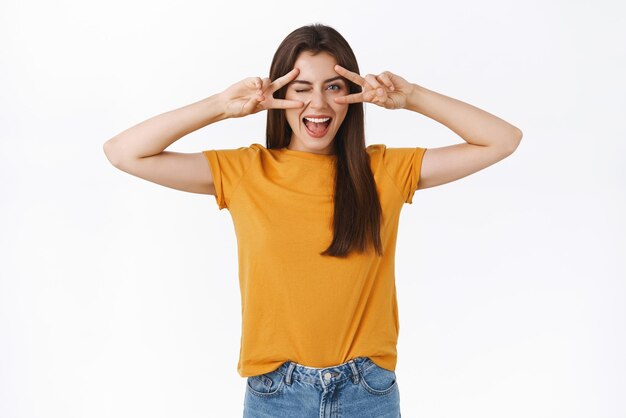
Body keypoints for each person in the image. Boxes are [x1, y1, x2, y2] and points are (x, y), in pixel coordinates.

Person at [103, 23, 522, 418]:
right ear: (276, 96)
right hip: (276, 394)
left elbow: (503, 139)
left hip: (368, 393)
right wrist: (219, 107)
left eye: (334, 88)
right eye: (301, 89)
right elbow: (124, 152)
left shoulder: (385, 171)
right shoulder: (246, 172)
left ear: (352, 94)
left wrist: (411, 97)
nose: (318, 104)